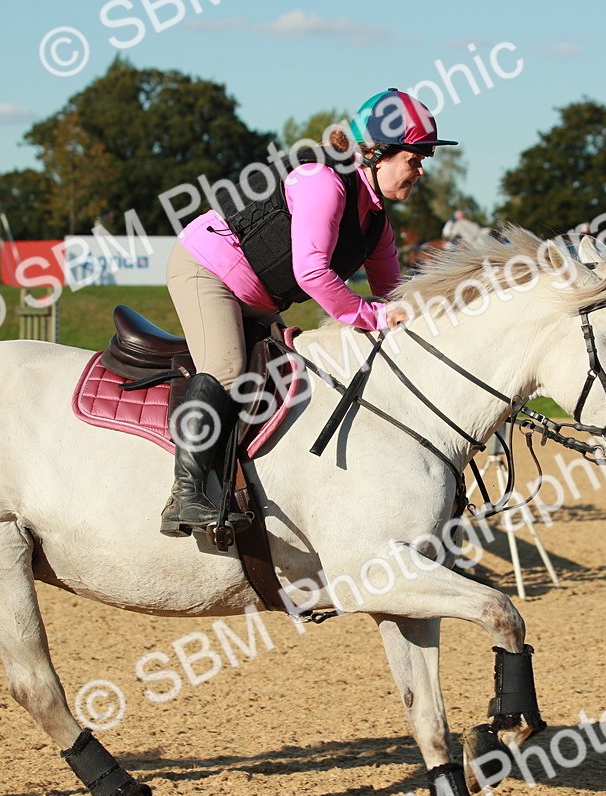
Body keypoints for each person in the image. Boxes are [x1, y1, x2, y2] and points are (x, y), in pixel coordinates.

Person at [160, 88, 458, 537]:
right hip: (208, 270)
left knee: (302, 375)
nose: (419, 171)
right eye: (414, 159)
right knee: (226, 370)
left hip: (259, 300)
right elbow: (312, 273)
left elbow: (396, 296)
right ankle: (184, 495)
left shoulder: (376, 224)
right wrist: (373, 317)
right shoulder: (323, 180)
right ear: (377, 153)